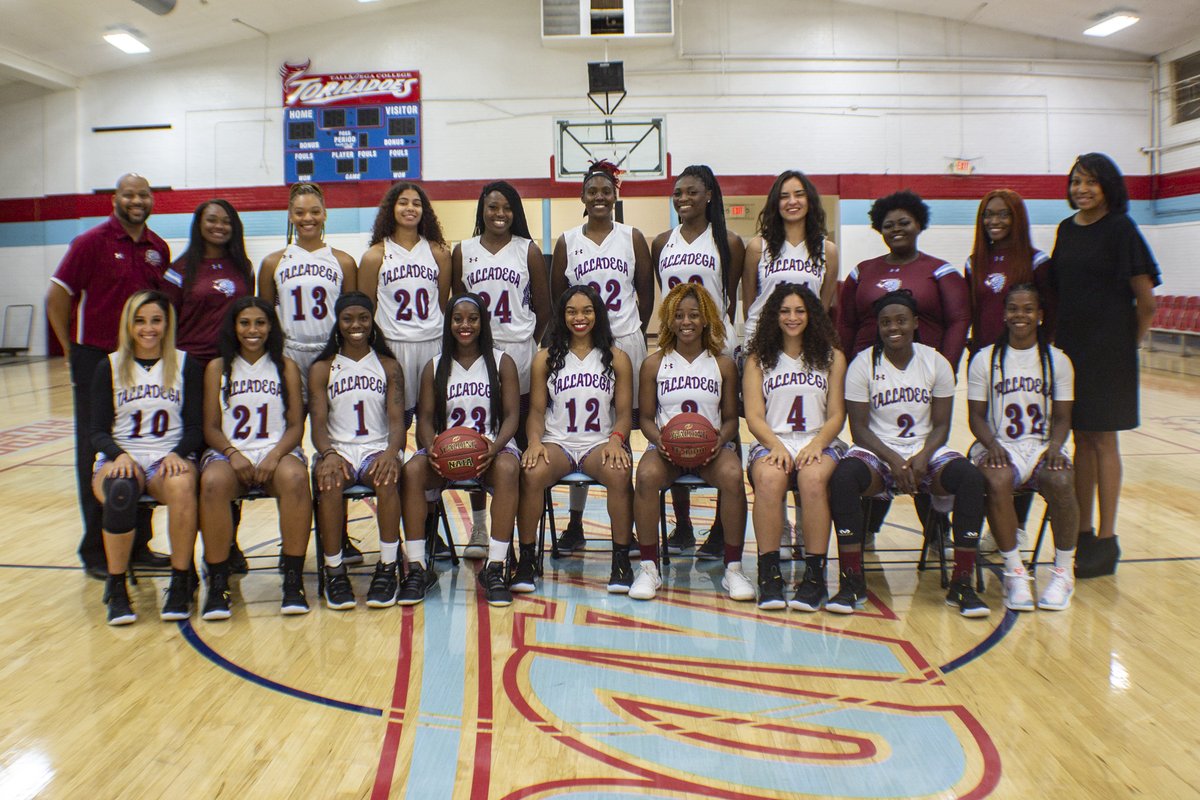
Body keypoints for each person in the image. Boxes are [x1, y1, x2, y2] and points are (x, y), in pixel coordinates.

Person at [828, 290, 989, 618]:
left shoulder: (936, 362)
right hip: (877, 451)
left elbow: (942, 425)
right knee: (843, 477)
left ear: (915, 323)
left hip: (925, 451)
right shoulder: (863, 364)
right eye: (886, 322)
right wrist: (893, 460)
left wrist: (922, 457)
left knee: (971, 478)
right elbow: (859, 430)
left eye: (901, 320)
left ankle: (962, 582)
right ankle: (852, 579)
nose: (893, 327)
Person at [45, 173, 173, 580]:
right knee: (96, 453)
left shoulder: (158, 248)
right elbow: (57, 297)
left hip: (143, 361)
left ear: (151, 200)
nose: (137, 200)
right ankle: (97, 551)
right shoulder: (90, 242)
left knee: (143, 446)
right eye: (129, 194)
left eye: (143, 194)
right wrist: (72, 350)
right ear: (115, 199)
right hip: (98, 358)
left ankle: (137, 545)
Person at [837, 190, 970, 548]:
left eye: (904, 222)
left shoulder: (940, 270)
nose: (896, 229)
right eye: (888, 224)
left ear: (919, 224)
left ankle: (936, 528)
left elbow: (959, 320)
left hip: (920, 375)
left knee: (920, 443)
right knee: (872, 446)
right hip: (869, 376)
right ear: (879, 228)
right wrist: (847, 370)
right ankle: (866, 528)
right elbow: (846, 324)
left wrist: (946, 369)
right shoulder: (863, 270)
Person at [1048, 153, 1159, 577]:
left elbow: (1146, 302)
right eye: (1076, 181)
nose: (1081, 189)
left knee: (1103, 441)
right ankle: (1084, 532)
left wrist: (1126, 346)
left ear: (1108, 186)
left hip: (1110, 352)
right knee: (1080, 440)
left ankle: (1108, 539)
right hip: (1071, 351)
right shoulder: (1065, 230)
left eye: (1091, 182)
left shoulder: (1121, 229)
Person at [551, 161, 651, 552]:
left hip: (624, 339)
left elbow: (645, 291)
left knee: (625, 431)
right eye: (592, 192)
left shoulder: (632, 237)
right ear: (582, 197)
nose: (599, 197)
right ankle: (575, 523)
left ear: (615, 196)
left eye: (605, 191)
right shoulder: (567, 240)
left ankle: (626, 526)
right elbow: (558, 298)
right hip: (581, 343)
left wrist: (629, 330)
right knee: (582, 430)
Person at [742, 170, 839, 563]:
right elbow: (751, 300)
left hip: (806, 346)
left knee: (809, 448)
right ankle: (778, 527)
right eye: (784, 195)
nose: (792, 201)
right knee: (769, 427)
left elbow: (825, 303)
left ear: (810, 201)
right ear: (774, 203)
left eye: (799, 194)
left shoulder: (827, 251)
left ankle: (805, 529)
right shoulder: (758, 247)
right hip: (762, 346)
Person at [400, 293, 521, 606]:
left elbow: (512, 415)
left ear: (483, 322)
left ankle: (495, 566)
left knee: (509, 468)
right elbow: (425, 419)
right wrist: (432, 449)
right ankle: (417, 567)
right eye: (458, 319)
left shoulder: (501, 361)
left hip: (491, 450)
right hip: (446, 452)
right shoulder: (435, 366)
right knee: (412, 470)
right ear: (449, 323)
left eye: (472, 318)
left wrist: (495, 447)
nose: (465, 325)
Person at [90, 292, 204, 624]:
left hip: (167, 456)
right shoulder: (108, 365)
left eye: (156, 320)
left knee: (183, 487)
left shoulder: (185, 364)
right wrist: (118, 455)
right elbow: (96, 430)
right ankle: (117, 587)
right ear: (129, 324)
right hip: (122, 454)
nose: (148, 328)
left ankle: (180, 582)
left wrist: (178, 453)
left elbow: (195, 427)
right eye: (140, 321)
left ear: (167, 324)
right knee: (120, 489)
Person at [651, 165, 746, 559]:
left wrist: (723, 340)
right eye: (677, 193)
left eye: (691, 192)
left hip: (718, 343)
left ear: (709, 195)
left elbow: (730, 296)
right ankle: (684, 525)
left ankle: (722, 529)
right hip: (678, 340)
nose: (683, 199)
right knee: (676, 423)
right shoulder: (661, 242)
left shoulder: (729, 241)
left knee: (725, 427)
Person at [514, 285, 634, 594]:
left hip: (598, 443)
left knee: (620, 473)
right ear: (561, 316)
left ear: (598, 314)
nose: (579, 318)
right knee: (530, 472)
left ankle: (621, 561)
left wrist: (616, 441)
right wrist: (535, 442)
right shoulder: (545, 359)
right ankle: (526, 560)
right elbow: (537, 411)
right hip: (559, 442)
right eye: (571, 311)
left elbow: (623, 414)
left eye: (586, 311)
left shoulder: (617, 358)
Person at [452, 181, 550, 559]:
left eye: (507, 208)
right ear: (482, 211)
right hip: (474, 355)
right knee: (475, 438)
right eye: (492, 207)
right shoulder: (464, 251)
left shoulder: (528, 250)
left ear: (516, 212)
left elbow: (543, 309)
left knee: (520, 447)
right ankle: (480, 527)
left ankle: (520, 532)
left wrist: (522, 345)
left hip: (519, 354)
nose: (499, 214)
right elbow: (457, 306)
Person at [198, 298, 312, 619]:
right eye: (245, 323)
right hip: (230, 451)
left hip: (276, 450)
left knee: (296, 478)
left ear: (271, 327)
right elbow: (210, 426)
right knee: (212, 482)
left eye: (260, 323)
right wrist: (232, 454)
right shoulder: (217, 368)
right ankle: (219, 581)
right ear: (233, 328)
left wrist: (275, 455)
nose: (252, 330)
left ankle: (293, 580)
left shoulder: (284, 366)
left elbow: (295, 424)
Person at [632, 283, 746, 601]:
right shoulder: (654, 364)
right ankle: (648, 569)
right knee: (645, 476)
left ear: (706, 319)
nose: (687, 322)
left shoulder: (722, 365)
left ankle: (733, 570)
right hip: (667, 448)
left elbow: (730, 419)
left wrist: (718, 442)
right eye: (679, 315)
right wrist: (661, 441)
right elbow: (644, 419)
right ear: (669, 320)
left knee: (734, 476)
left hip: (711, 447)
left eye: (694, 315)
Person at [967, 284, 1078, 610]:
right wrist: (990, 444)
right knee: (996, 479)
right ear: (1004, 314)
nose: (1020, 315)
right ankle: (1015, 570)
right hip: (1001, 444)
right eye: (1013, 308)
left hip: (1042, 446)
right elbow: (975, 416)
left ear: (1040, 316)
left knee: (1061, 480)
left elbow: (1062, 417)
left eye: (1028, 309)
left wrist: (1056, 447)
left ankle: (1063, 571)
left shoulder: (1057, 361)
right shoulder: (986, 359)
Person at [165, 199, 257, 572]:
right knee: (200, 461)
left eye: (226, 221)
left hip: (231, 370)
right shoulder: (179, 270)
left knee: (232, 458)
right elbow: (168, 324)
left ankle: (227, 545)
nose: (219, 226)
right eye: (211, 220)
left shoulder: (242, 267)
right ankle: (203, 551)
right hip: (192, 368)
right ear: (198, 224)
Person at [742, 284, 846, 611]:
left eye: (800, 310)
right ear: (774, 316)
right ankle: (769, 573)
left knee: (813, 479)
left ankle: (814, 577)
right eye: (785, 311)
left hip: (819, 437)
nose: (792, 317)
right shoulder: (759, 359)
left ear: (812, 314)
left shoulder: (832, 356)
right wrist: (775, 445)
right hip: (774, 440)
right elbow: (755, 415)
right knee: (770, 480)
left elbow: (837, 414)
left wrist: (817, 444)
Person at [965, 189, 1051, 552]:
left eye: (1002, 215)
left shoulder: (1038, 261)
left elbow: (1052, 314)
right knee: (993, 444)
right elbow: (971, 312)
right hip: (988, 366)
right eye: (988, 215)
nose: (994, 222)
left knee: (1025, 443)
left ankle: (1016, 528)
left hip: (1028, 366)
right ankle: (997, 523)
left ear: (1017, 218)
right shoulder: (974, 262)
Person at [308, 293, 406, 610]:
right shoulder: (323, 368)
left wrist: (392, 452)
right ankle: (335, 570)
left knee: (388, 479)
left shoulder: (388, 366)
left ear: (372, 320)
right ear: (338, 322)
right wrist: (328, 454)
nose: (356, 325)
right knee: (331, 482)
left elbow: (396, 421)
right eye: (348, 318)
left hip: (377, 448)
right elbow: (319, 425)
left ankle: (388, 567)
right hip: (340, 450)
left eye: (363, 317)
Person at [258, 182, 358, 399]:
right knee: (291, 424)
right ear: (290, 216)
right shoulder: (272, 263)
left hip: (331, 353)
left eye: (315, 212)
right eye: (300, 213)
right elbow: (263, 319)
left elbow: (353, 317)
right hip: (289, 354)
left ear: (325, 215)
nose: (307, 218)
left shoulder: (344, 261)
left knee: (329, 428)